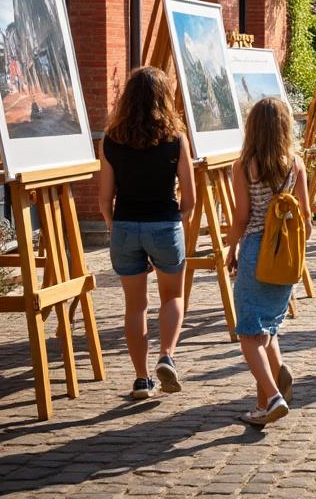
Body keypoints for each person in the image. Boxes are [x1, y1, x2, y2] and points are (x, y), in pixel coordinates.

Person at [98, 66, 196, 399]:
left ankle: (141, 379)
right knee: (173, 297)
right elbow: (191, 198)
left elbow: (103, 198)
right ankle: (166, 355)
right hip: (164, 224)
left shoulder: (112, 140)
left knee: (135, 306)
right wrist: (174, 220)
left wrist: (114, 225)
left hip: (125, 226)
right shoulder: (175, 139)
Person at [225, 97, 312, 427]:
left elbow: (241, 217)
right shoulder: (296, 164)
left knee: (249, 333)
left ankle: (274, 397)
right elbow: (305, 216)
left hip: (256, 250)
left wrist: (230, 249)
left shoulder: (245, 165)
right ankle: (264, 406)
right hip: (286, 252)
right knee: (268, 329)